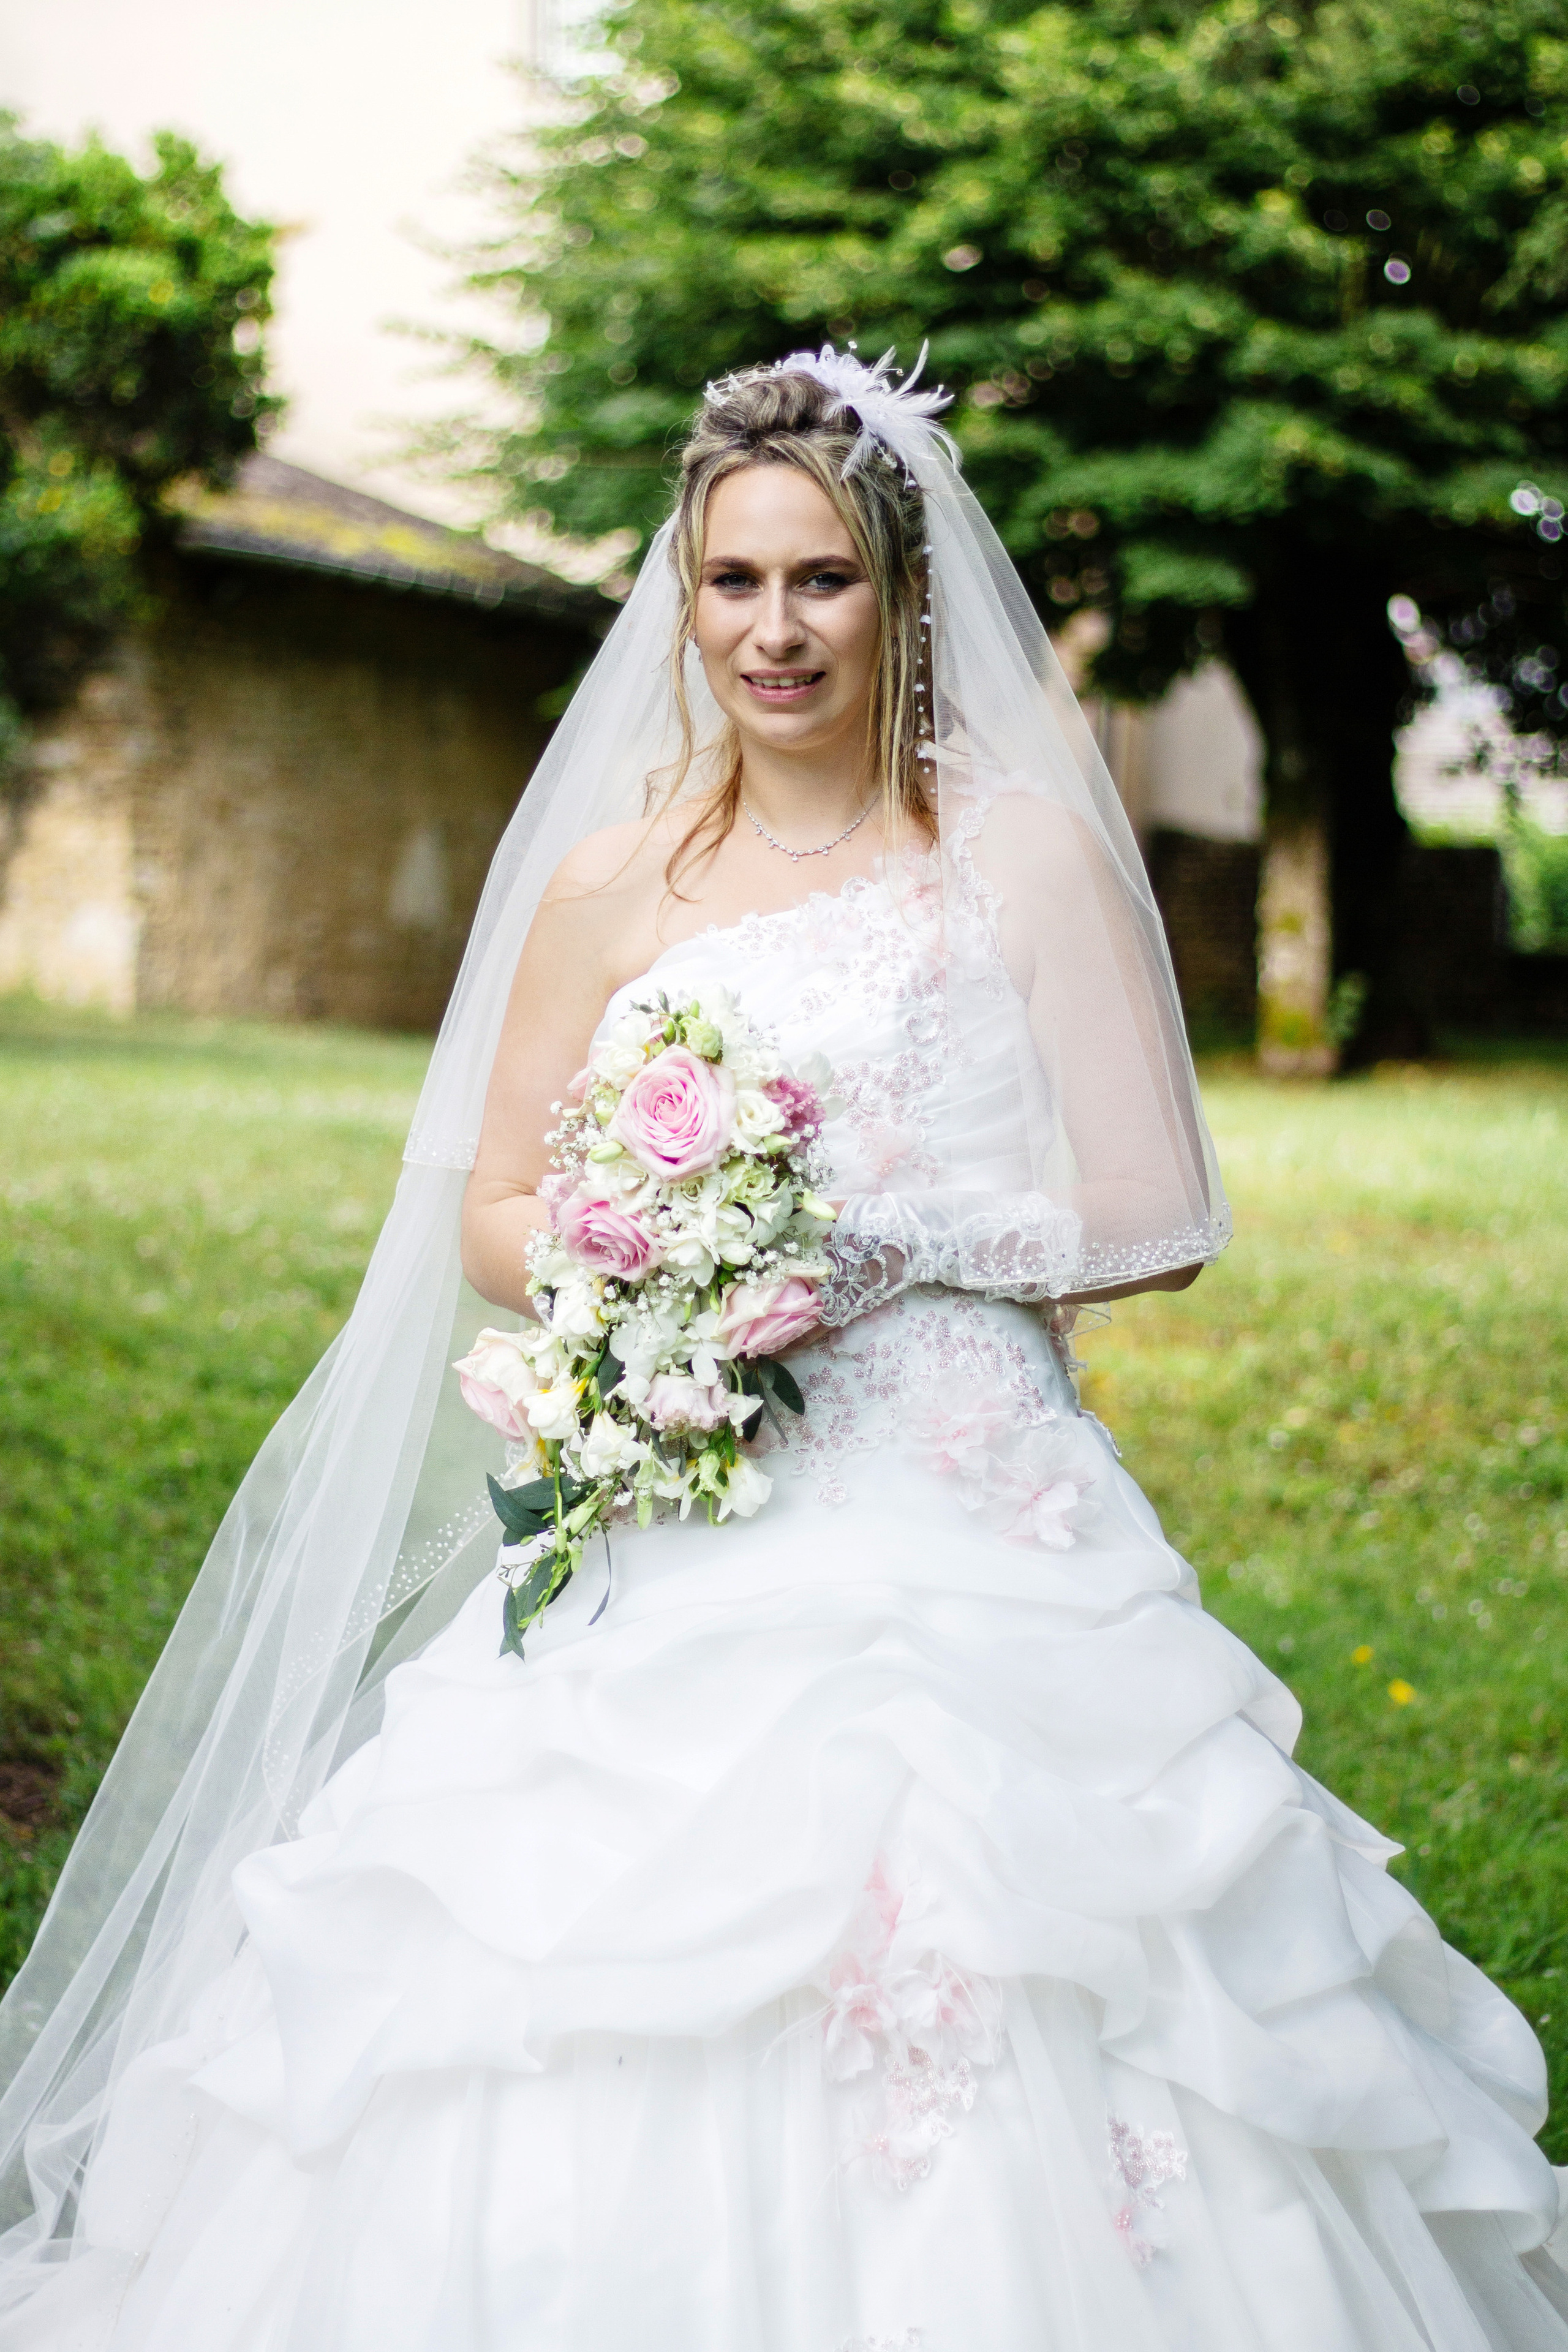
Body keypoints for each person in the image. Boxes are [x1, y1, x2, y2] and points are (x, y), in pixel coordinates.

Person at [0, 349, 1564, 2352]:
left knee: (1039, 1937)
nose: (774, 629)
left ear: (901, 600)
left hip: (971, 1509)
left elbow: (1159, 1212)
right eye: (733, 583)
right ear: (681, 599)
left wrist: (882, 1246)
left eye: (821, 580)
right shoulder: (608, 885)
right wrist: (639, 1266)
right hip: (690, 1497)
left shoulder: (1018, 855)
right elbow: (489, 1213)